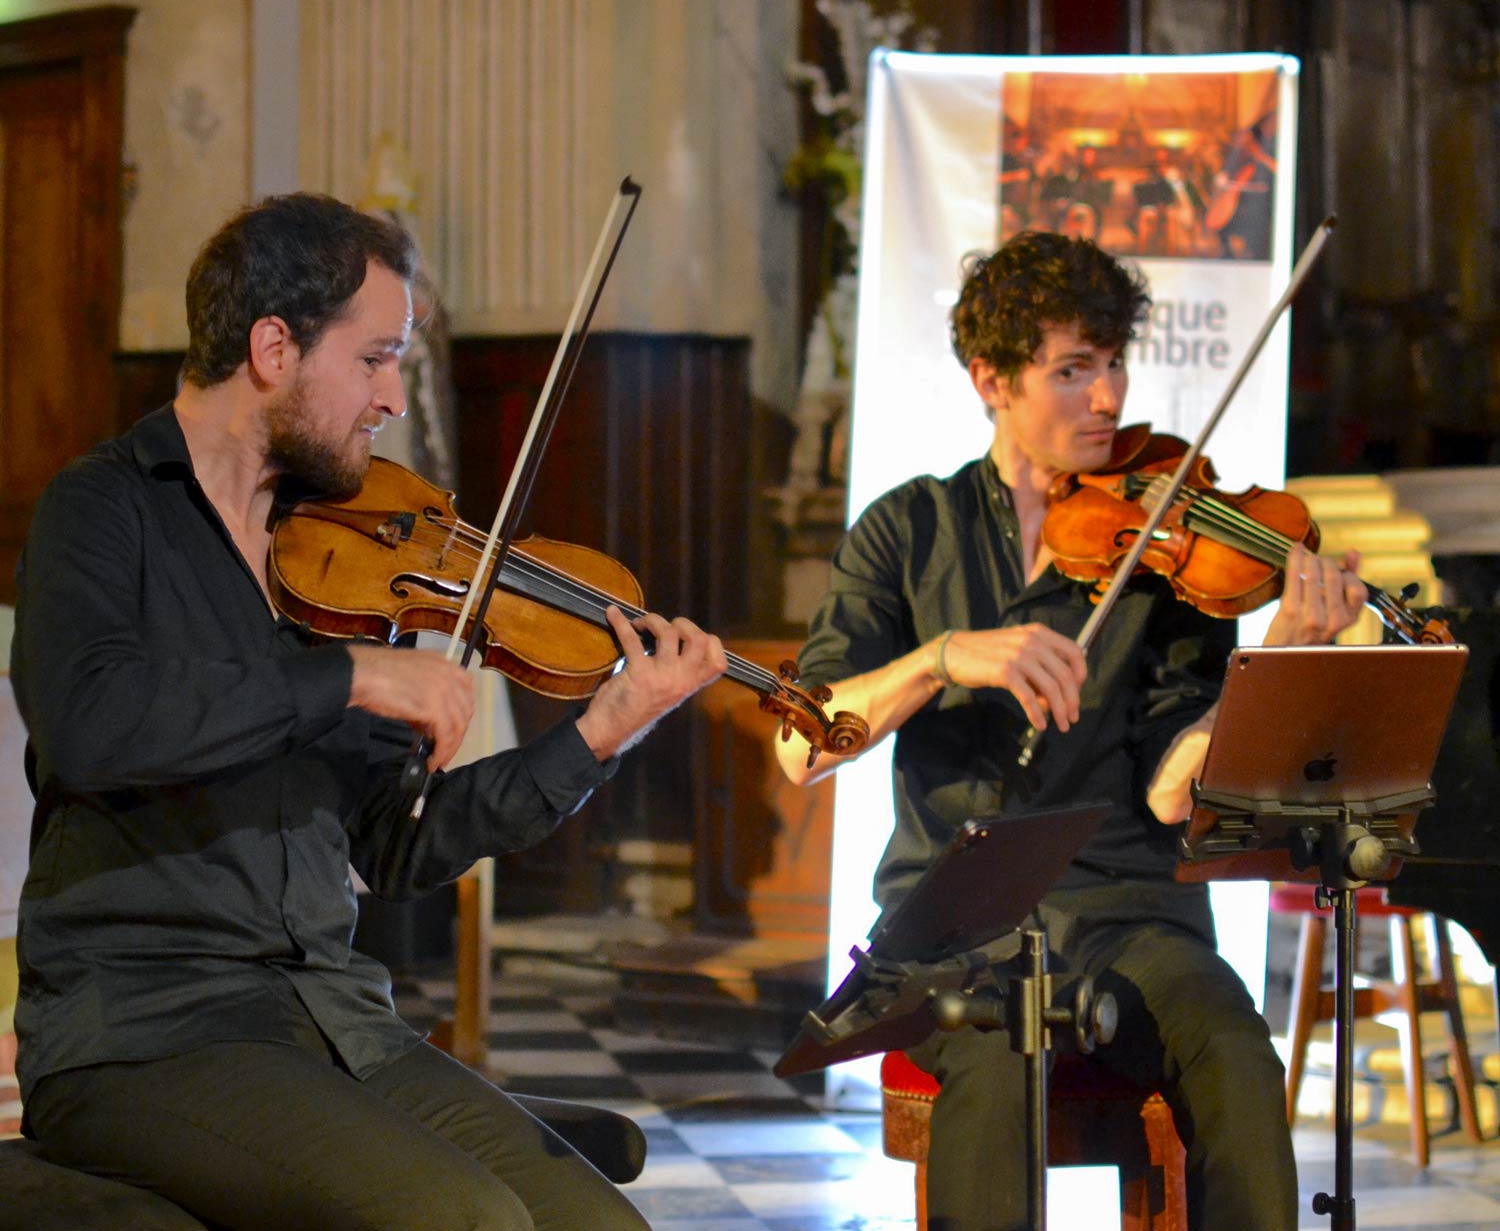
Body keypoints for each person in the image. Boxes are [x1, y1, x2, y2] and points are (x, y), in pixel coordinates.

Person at [9, 193, 727, 1231]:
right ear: (272, 348)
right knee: (461, 1219)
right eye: (375, 359)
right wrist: (346, 678)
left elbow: (397, 843)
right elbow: (89, 718)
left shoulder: (343, 553)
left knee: (597, 1226)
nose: (394, 396)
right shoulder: (104, 508)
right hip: (146, 1031)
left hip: (334, 1019)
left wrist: (605, 727)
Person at [776, 231, 1366, 1231]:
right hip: (956, 928)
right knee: (1004, 1057)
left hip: (1132, 910)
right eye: (1072, 371)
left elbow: (1176, 788)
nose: (1106, 399)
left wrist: (1278, 659)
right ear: (990, 380)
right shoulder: (904, 530)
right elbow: (803, 750)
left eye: (1115, 365)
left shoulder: (1166, 538)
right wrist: (940, 658)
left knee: (1231, 1041)